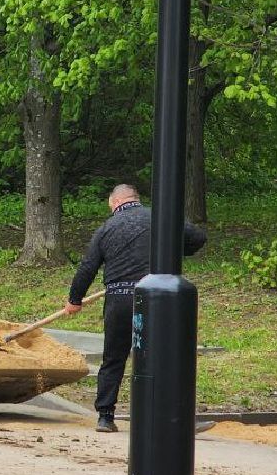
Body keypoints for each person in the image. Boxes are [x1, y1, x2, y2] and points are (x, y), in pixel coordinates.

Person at [63, 183, 206, 433]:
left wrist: (75, 299)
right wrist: (175, 250)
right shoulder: (159, 217)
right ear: (135, 199)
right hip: (156, 299)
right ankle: (175, 418)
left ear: (113, 202)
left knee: (113, 358)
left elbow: (87, 266)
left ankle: (105, 417)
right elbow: (198, 237)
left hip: (118, 298)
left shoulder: (106, 229)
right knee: (165, 358)